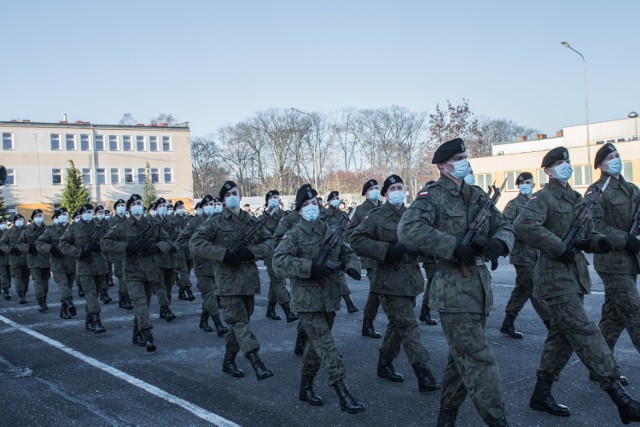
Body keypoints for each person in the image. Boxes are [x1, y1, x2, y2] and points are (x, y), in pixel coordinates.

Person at [514, 146, 640, 424]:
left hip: (575, 277)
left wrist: (598, 241)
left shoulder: (574, 198)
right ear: (546, 171)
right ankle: (621, 398)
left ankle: (541, 393)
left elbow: (588, 232)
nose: (565, 166)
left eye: (567, 162)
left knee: (561, 338)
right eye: (558, 163)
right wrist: (559, 246)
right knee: (585, 331)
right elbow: (524, 225)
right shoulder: (542, 197)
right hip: (554, 279)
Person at [397, 138, 513, 426]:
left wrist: (500, 242)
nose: (465, 162)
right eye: (459, 157)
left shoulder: (476, 195)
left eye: (465, 156)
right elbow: (407, 230)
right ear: (442, 165)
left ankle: (445, 416)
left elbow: (504, 225)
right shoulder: (432, 196)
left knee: (460, 358)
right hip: (453, 291)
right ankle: (499, 421)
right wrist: (451, 245)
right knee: (478, 358)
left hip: (479, 290)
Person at [273, 184, 365, 413]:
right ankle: (343, 392)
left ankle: (305, 388)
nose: (311, 207)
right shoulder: (293, 234)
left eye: (314, 203)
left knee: (316, 347)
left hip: (329, 297)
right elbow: (279, 262)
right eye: (306, 205)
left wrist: (352, 266)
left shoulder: (328, 230)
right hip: (307, 300)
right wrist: (310, 267)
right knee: (326, 344)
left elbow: (347, 251)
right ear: (298, 211)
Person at [351, 174, 441, 395]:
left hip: (410, 280)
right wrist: (388, 251)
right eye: (392, 188)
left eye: (400, 187)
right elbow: (356, 239)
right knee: (409, 326)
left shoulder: (412, 215)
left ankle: (384, 363)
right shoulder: (376, 216)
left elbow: (424, 241)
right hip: (388, 282)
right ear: (385, 194)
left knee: (398, 326)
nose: (397, 191)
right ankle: (423, 372)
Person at [190, 181, 274, 381]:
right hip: (227, 283)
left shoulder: (251, 221)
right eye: (227, 195)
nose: (232, 197)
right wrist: (223, 255)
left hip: (248, 282)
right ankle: (256, 361)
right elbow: (195, 243)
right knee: (240, 322)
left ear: (241, 195)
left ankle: (228, 361)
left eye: (235, 193)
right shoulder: (215, 222)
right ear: (222, 200)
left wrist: (251, 252)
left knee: (239, 324)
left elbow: (270, 242)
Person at [588, 143, 640, 383]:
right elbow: (594, 226)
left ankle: (599, 367)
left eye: (617, 155)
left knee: (613, 317)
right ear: (600, 165)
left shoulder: (631, 189)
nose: (615, 159)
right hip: (612, 262)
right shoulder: (597, 191)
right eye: (610, 157)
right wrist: (623, 238)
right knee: (633, 312)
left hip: (630, 261)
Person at [101, 194, 174, 351]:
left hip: (150, 271)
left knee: (144, 306)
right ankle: (148, 336)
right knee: (140, 304)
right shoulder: (123, 226)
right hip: (132, 272)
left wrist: (156, 247)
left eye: (139, 203)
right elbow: (105, 242)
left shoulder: (153, 224)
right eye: (133, 203)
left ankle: (136, 334)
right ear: (129, 208)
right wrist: (127, 247)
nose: (137, 206)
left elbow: (168, 241)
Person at [500, 172, 551, 339]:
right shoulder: (514, 204)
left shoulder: (537, 202)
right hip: (522, 255)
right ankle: (552, 325)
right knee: (536, 289)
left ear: (534, 184)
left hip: (537, 254)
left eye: (528, 182)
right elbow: (506, 227)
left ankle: (508, 323)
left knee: (522, 290)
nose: (525, 185)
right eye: (522, 183)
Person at [176, 195, 228, 336]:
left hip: (217, 264)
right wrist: (197, 248)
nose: (213, 206)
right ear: (204, 206)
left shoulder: (221, 220)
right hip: (202, 265)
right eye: (210, 204)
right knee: (209, 293)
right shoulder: (195, 222)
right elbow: (181, 240)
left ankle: (203, 321)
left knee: (210, 295)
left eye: (215, 203)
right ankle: (218, 324)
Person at [59, 204, 108, 333]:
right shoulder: (74, 227)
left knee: (95, 295)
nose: (89, 213)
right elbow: (63, 244)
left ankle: (89, 319)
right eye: (86, 211)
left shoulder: (99, 226)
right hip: (84, 266)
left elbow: (109, 241)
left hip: (99, 266)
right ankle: (97, 321)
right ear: (81, 214)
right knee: (90, 294)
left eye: (90, 211)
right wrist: (79, 252)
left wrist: (100, 246)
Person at [345, 179, 384, 337]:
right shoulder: (360, 210)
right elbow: (348, 234)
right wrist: (364, 246)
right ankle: (367, 324)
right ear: (366, 193)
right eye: (372, 188)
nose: (375, 190)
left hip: (388, 255)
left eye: (377, 187)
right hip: (371, 258)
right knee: (377, 290)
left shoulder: (384, 207)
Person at [260, 190, 298, 323]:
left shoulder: (285, 215)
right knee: (278, 281)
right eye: (270, 198)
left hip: (284, 251)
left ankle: (270, 310)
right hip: (270, 253)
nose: (273, 199)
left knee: (275, 283)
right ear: (267, 201)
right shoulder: (263, 218)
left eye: (275, 197)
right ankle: (288, 311)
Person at [320, 190, 359, 314]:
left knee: (340, 275)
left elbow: (348, 228)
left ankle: (349, 302)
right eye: (333, 198)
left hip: (339, 248)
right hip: (326, 248)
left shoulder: (343, 215)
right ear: (329, 201)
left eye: (337, 197)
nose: (336, 199)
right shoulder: (323, 214)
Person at [35, 208, 77, 319]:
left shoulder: (73, 228)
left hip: (72, 262)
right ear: (57, 217)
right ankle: (69, 303)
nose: (63, 216)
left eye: (65, 214)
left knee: (68, 286)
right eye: (61, 214)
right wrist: (50, 248)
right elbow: (39, 243)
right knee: (63, 285)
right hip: (57, 263)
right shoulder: (51, 230)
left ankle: (63, 310)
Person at [151, 197, 178, 322]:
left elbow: (179, 236)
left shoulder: (171, 221)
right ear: (156, 208)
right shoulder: (151, 222)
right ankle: (166, 308)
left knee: (168, 286)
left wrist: (174, 246)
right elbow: (151, 241)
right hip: (157, 259)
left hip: (171, 259)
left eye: (164, 206)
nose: (163, 208)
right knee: (160, 285)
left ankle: (164, 309)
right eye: (160, 206)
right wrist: (166, 246)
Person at [0, 215, 30, 304]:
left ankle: (23, 293)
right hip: (13, 259)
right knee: (13, 277)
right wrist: (10, 249)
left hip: (27, 259)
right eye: (17, 220)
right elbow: (2, 244)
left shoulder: (28, 231)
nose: (19, 221)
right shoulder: (9, 232)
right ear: (14, 221)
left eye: (21, 219)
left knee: (25, 278)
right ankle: (18, 294)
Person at [109, 199, 133, 310]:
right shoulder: (112, 221)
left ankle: (124, 298)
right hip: (118, 254)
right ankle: (124, 298)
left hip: (128, 253)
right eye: (119, 205)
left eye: (123, 205)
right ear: (115, 208)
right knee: (122, 278)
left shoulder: (128, 220)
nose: (121, 207)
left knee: (126, 277)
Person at [94, 205, 113, 305]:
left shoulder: (107, 222)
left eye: (103, 212)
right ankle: (103, 293)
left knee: (107, 273)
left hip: (107, 252)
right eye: (100, 212)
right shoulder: (94, 223)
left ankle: (104, 292)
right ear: (96, 214)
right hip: (99, 253)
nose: (102, 214)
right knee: (101, 273)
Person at [0, 218, 11, 300]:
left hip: (9, 258)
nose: (3, 224)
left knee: (9, 275)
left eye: (4, 222)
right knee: (3, 274)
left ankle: (6, 288)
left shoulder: (9, 232)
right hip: (1, 258)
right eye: (1, 223)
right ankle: (5, 290)